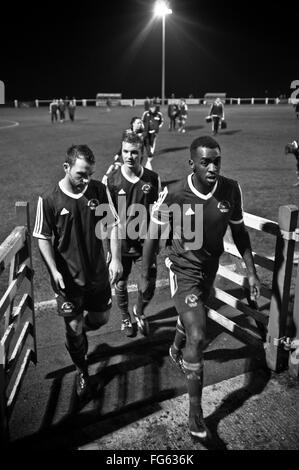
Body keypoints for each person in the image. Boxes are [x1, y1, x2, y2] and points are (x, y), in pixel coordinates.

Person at [141, 135, 260, 441]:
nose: (212, 167)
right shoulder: (175, 193)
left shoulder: (231, 189)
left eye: (216, 160)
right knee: (198, 332)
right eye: (205, 161)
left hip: (209, 270)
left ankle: (175, 348)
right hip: (182, 269)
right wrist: (146, 272)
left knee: (189, 318)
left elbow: (240, 232)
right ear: (191, 163)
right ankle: (197, 414)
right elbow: (154, 231)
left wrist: (252, 273)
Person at [33, 145, 122, 398]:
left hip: (97, 275)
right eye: (81, 173)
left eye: (90, 173)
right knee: (73, 328)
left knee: (101, 319)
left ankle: (79, 335)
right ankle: (82, 370)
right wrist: (53, 271)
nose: (86, 179)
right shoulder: (49, 199)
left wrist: (116, 258)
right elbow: (42, 237)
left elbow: (113, 225)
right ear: (66, 167)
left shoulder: (98, 190)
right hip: (68, 282)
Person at [105, 131, 161, 337]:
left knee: (150, 283)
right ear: (121, 152)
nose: (129, 156)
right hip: (120, 242)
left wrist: (156, 242)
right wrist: (114, 256)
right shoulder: (111, 181)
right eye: (125, 152)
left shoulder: (153, 179)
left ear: (142, 154)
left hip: (145, 243)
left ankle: (139, 311)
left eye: (134, 152)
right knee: (120, 281)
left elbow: (158, 213)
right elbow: (108, 221)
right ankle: (125, 317)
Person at [101, 117, 146, 185]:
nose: (140, 124)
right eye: (138, 123)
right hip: (127, 155)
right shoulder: (127, 132)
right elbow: (123, 145)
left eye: (141, 123)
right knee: (120, 168)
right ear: (133, 124)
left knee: (135, 170)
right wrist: (118, 154)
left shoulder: (142, 134)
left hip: (138, 156)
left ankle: (133, 184)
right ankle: (108, 180)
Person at [142, 102, 164, 170]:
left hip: (154, 131)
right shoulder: (146, 113)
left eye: (154, 108)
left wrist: (158, 127)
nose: (153, 109)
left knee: (153, 142)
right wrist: (144, 128)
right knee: (147, 142)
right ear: (149, 108)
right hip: (146, 131)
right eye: (151, 108)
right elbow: (142, 120)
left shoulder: (159, 114)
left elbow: (162, 121)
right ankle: (150, 153)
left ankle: (151, 152)